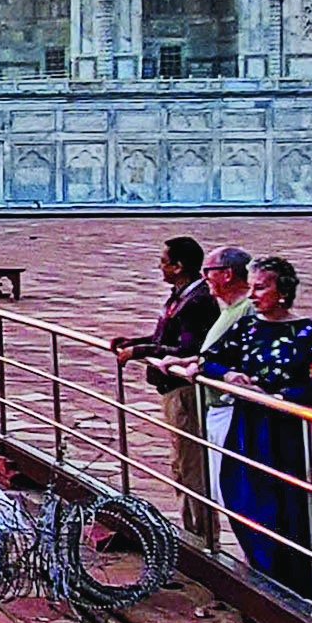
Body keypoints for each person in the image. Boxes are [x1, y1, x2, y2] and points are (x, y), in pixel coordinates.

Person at [198, 254, 312, 601]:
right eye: (253, 287)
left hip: (291, 436)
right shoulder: (248, 326)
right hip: (249, 430)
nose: (254, 294)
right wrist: (229, 375)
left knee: (294, 512)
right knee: (248, 502)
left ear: (283, 291)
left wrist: (271, 395)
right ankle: (262, 582)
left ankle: (299, 591)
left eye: (262, 287)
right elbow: (210, 359)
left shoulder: (308, 332)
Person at [114, 234, 223, 546]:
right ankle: (192, 531)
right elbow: (166, 335)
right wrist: (135, 344)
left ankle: (202, 537)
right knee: (180, 464)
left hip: (184, 391)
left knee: (190, 465)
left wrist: (141, 351)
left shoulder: (197, 300)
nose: (160, 268)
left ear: (178, 266)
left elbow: (185, 347)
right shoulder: (181, 295)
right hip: (170, 388)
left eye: (164, 262)